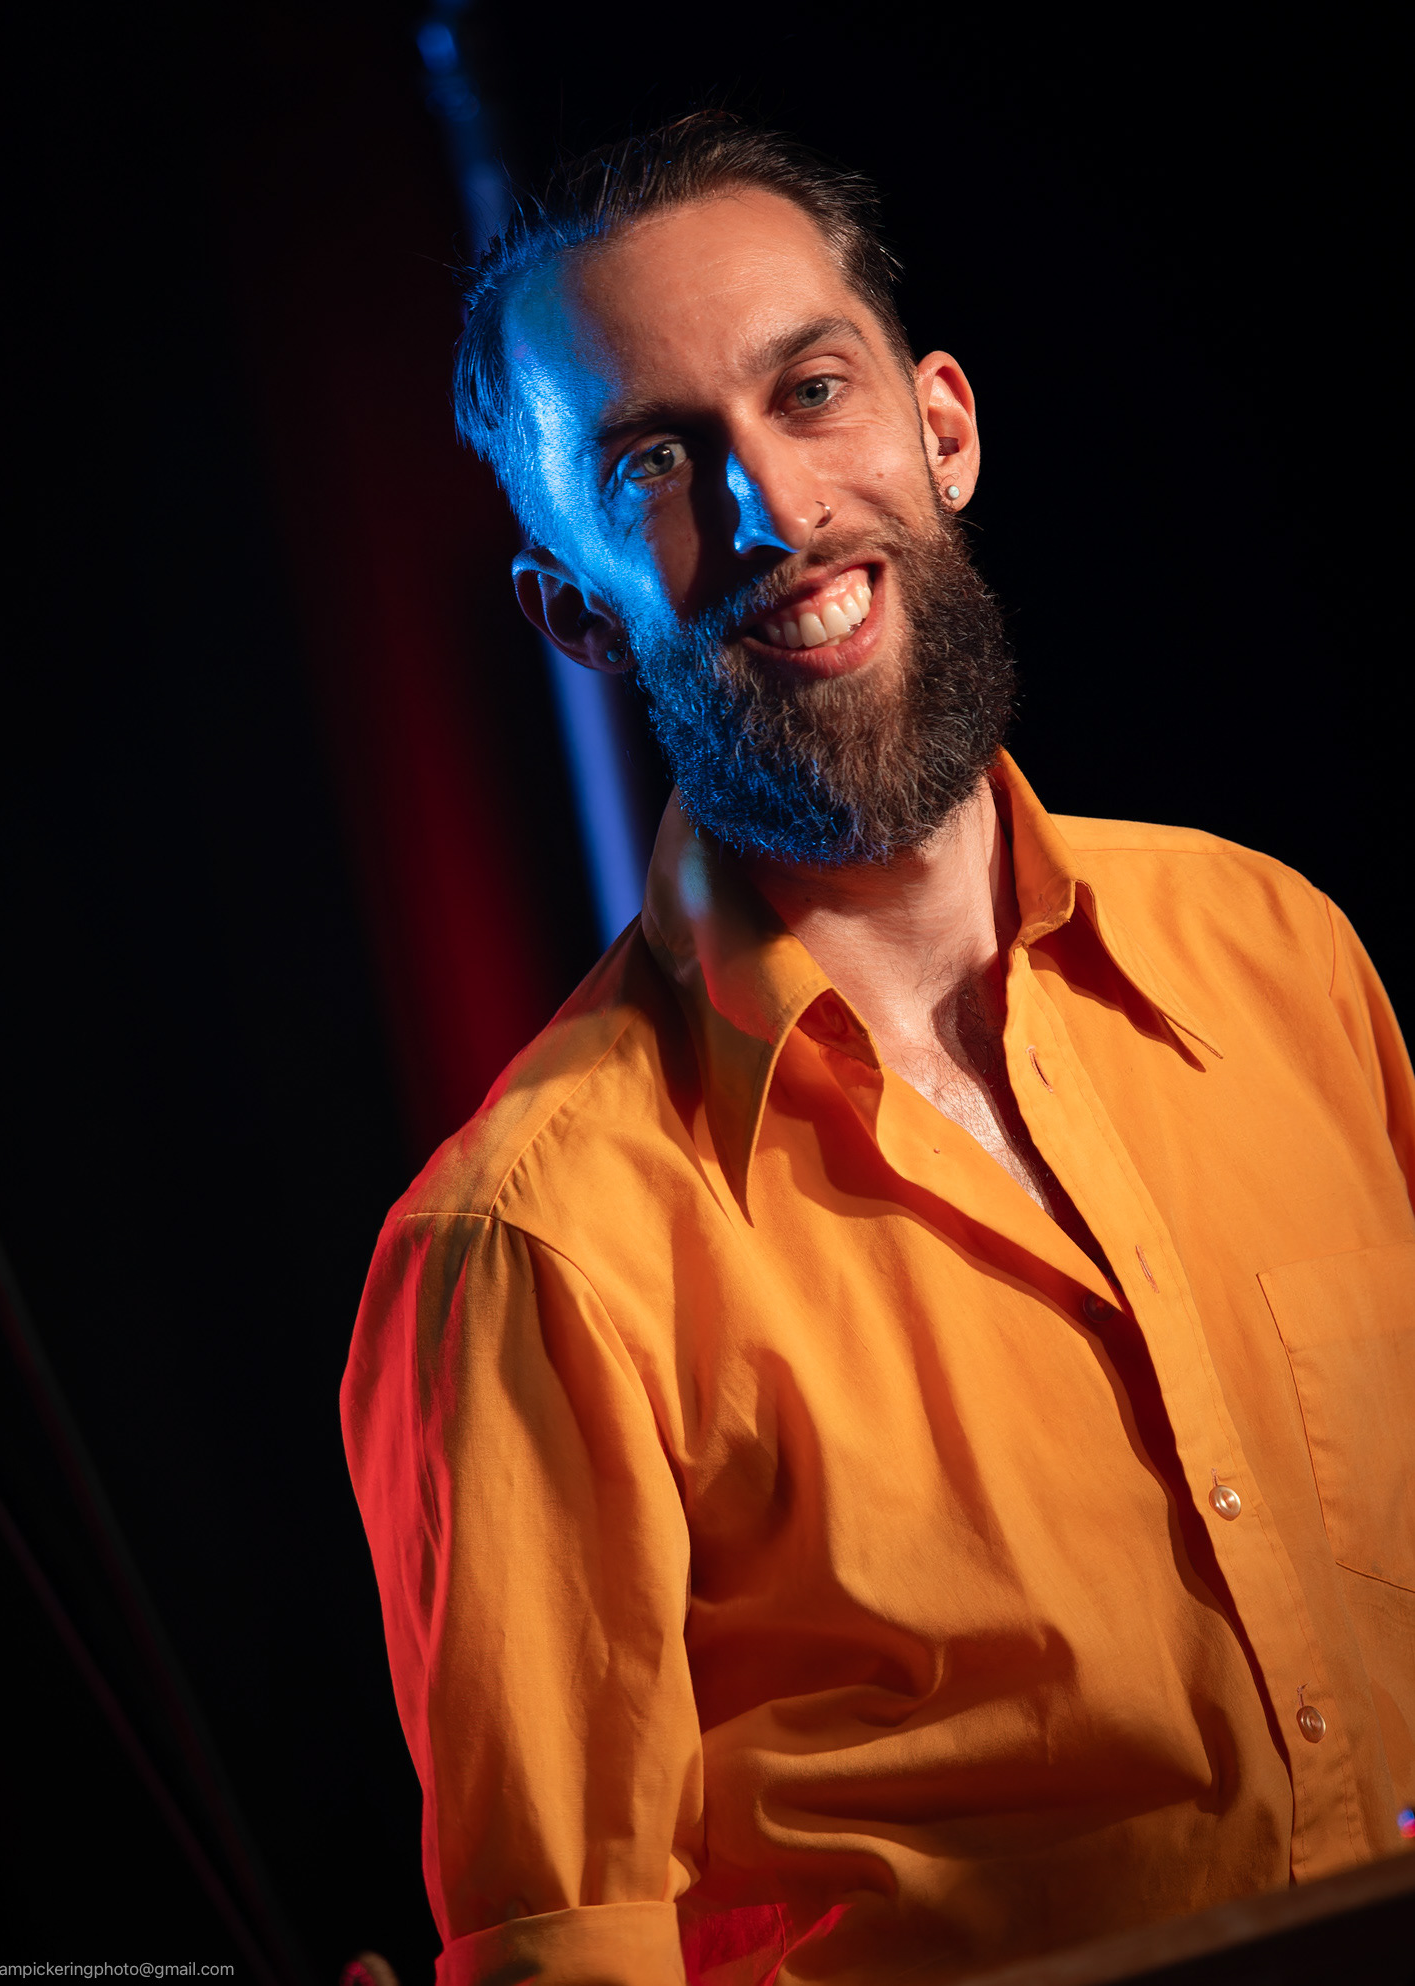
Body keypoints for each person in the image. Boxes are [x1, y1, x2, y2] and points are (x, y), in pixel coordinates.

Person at [340, 113, 1415, 1986]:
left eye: (809, 390)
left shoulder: (1279, 952)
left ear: (943, 427)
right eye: (655, 462)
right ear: (574, 610)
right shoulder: (525, 1248)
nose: (774, 510)